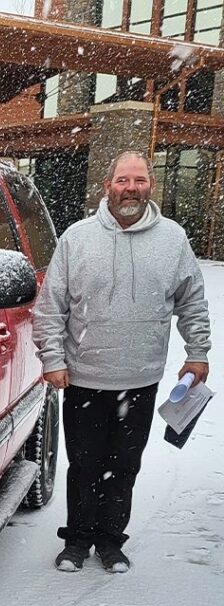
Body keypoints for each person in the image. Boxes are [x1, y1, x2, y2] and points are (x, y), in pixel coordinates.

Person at [32, 150, 211, 573]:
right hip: (83, 378)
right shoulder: (77, 238)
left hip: (141, 378)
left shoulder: (173, 239)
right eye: (123, 180)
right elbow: (51, 306)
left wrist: (198, 352)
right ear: (107, 186)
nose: (131, 188)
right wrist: (52, 358)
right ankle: (76, 541)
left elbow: (192, 302)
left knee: (125, 466)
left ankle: (111, 542)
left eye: (140, 180)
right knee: (85, 465)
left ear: (151, 185)